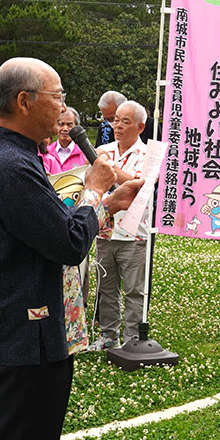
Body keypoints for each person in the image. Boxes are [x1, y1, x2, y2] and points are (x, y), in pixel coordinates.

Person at [0, 57, 143, 440]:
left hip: (16, 332)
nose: (64, 110)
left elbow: (47, 226)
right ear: (24, 101)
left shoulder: (10, 154)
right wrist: (95, 189)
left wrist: (109, 203)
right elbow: (66, 243)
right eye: (57, 97)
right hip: (25, 339)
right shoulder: (12, 165)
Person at [90, 100, 149, 351]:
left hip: (134, 234)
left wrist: (110, 169)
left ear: (140, 126)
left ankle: (133, 340)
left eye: (126, 121)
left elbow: (140, 185)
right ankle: (108, 335)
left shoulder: (147, 154)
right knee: (107, 288)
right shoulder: (103, 148)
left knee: (135, 291)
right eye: (116, 120)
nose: (118, 126)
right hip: (104, 230)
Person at [47, 107, 88, 171]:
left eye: (69, 125)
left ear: (76, 127)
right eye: (61, 124)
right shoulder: (46, 152)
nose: (65, 128)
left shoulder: (85, 153)